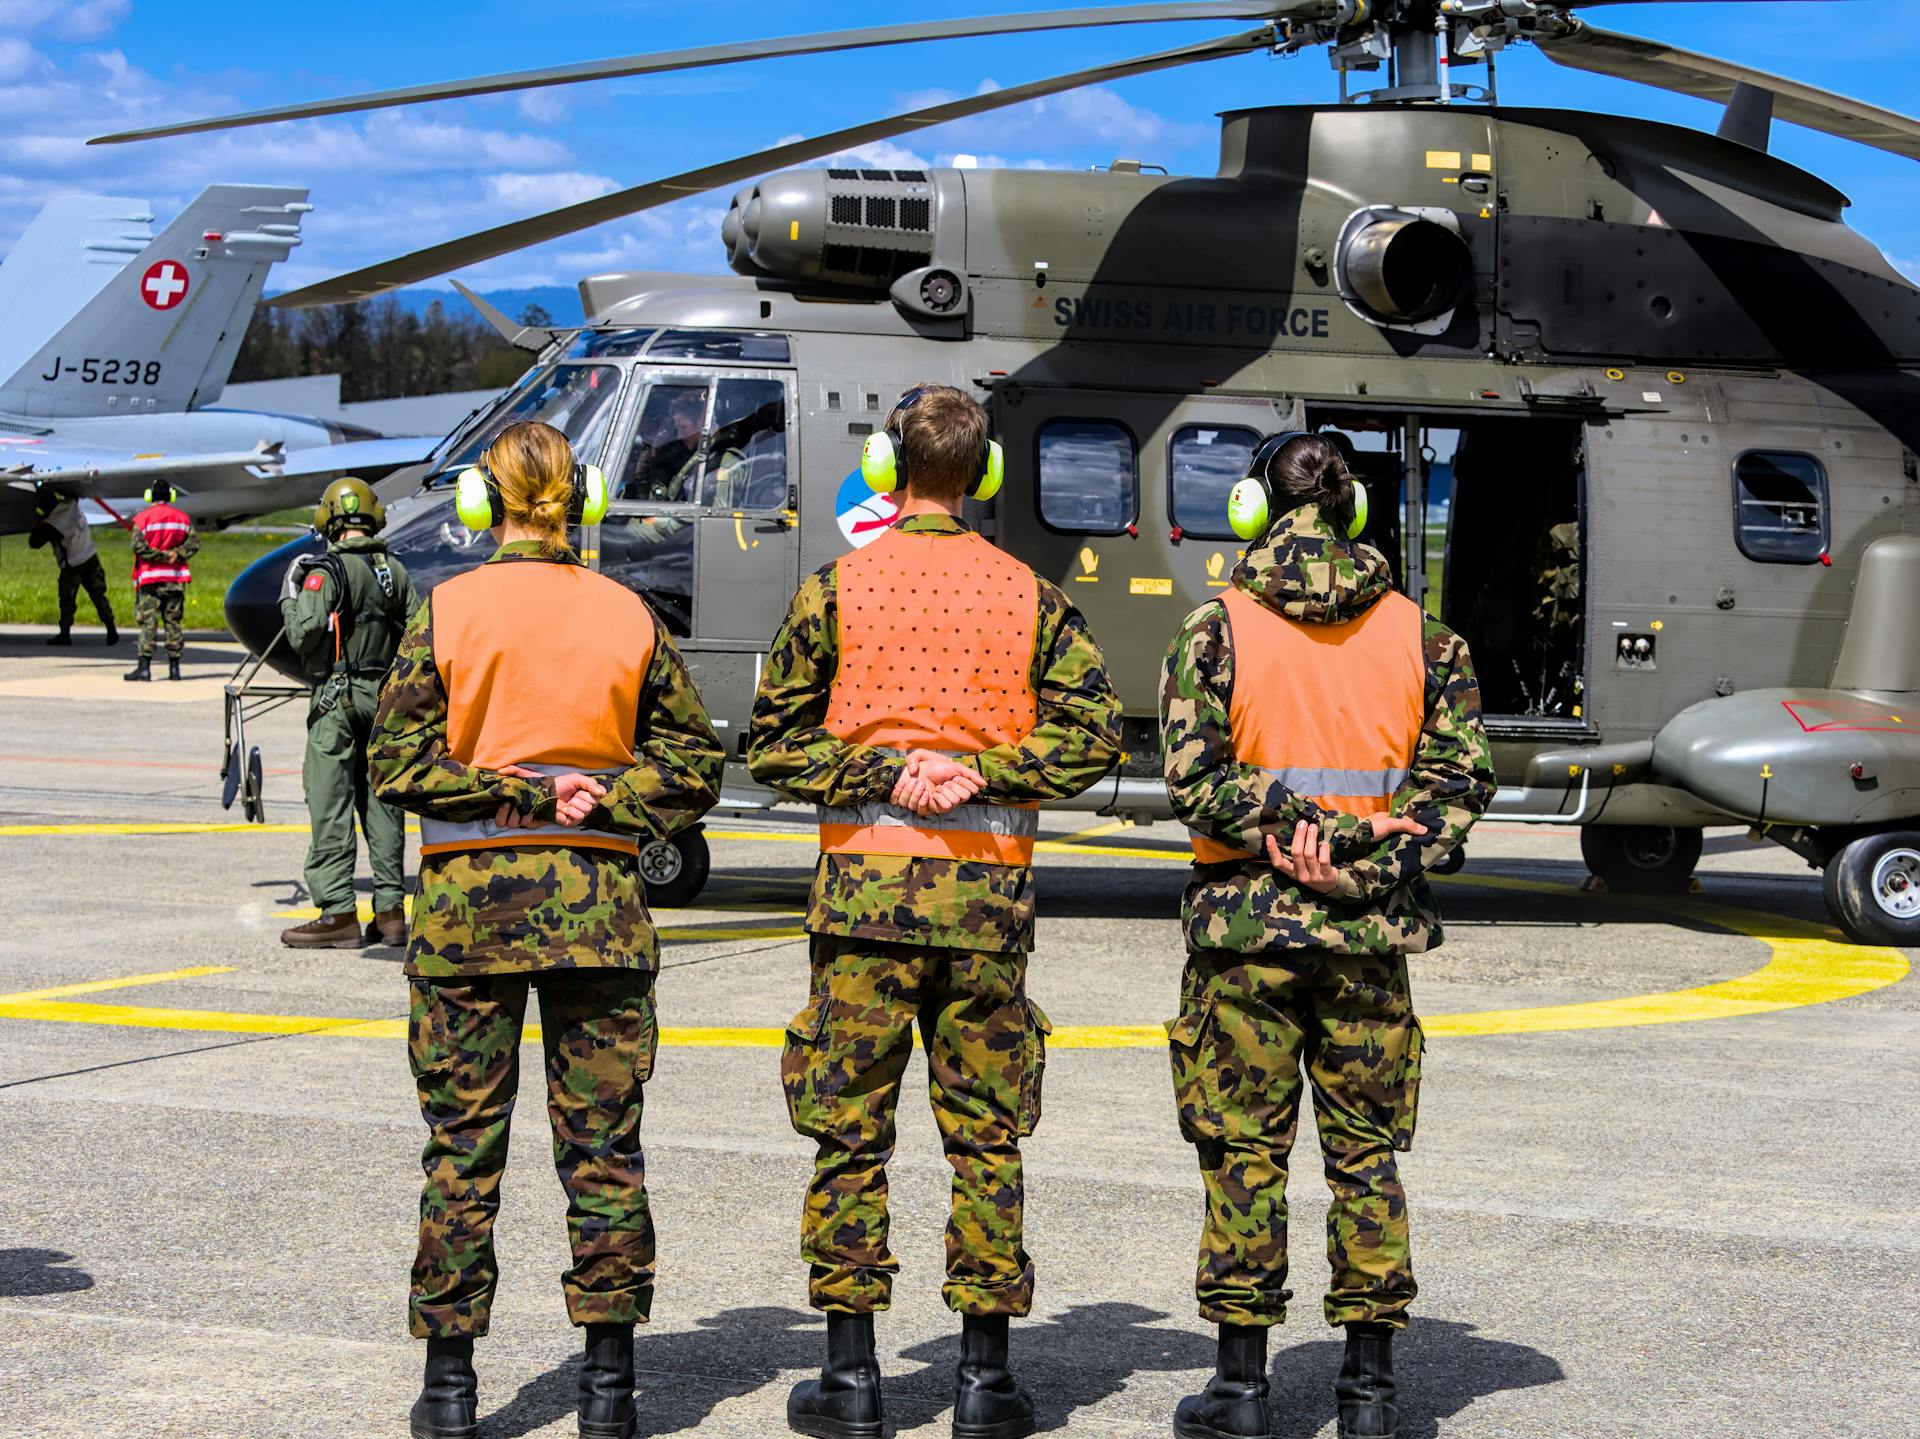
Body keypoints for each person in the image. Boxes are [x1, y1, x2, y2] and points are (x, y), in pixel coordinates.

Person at [748, 383, 1121, 1439]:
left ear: (886, 465)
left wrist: (885, 767)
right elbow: (1096, 738)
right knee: (987, 1137)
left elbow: (773, 742)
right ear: (985, 475)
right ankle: (986, 1382)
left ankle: (853, 1377)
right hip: (985, 904)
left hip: (864, 897)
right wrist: (980, 771)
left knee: (849, 1134)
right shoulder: (1029, 595)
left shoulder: (834, 589)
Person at [370, 420, 723, 1439]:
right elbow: (694, 768)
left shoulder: (447, 609)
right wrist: (592, 798)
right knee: (604, 1148)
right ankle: (608, 1391)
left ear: (482, 504)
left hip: (466, 918)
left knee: (462, 1148)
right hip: (598, 915)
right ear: (587, 501)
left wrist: (501, 788)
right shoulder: (628, 613)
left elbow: (396, 763)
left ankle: (449, 1389)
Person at [1159, 432, 1496, 1439]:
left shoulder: (1213, 628)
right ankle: (1370, 1391)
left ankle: (1240, 1388)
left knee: (1242, 1153)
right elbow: (1460, 789)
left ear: (1256, 509)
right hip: (1368, 939)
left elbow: (1195, 780)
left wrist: (1293, 831)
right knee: (1366, 1156)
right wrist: (1360, 856)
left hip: (1246, 936)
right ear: (1355, 511)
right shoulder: (1429, 640)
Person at [278, 478, 418, 950]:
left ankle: (337, 912)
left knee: (330, 803)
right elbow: (418, 632)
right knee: (382, 805)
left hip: (336, 700)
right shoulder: (393, 570)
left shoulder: (325, 571)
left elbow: (304, 635)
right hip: (382, 700)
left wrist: (289, 596)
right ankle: (391, 912)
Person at [123, 479, 196, 681]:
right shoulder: (182, 519)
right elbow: (194, 544)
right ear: (171, 496)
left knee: (149, 623)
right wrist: (176, 554)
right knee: (173, 622)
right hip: (175, 580)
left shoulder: (142, 519)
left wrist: (159, 556)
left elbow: (138, 547)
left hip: (149, 579)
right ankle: (175, 670)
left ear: (150, 496)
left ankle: (144, 669)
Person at [27, 482, 117, 646]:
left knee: (67, 600)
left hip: (73, 564)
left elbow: (34, 543)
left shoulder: (52, 523)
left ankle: (65, 634)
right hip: (91, 556)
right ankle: (111, 629)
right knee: (98, 596)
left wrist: (37, 522)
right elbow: (73, 494)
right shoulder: (71, 504)